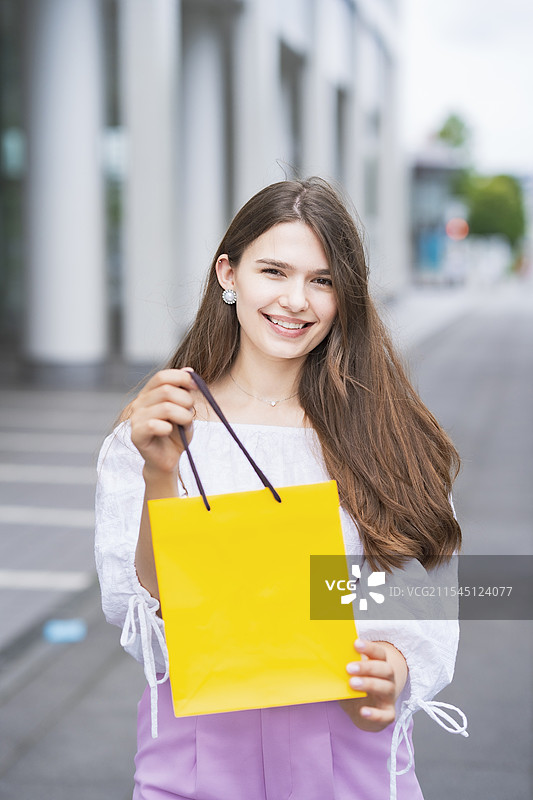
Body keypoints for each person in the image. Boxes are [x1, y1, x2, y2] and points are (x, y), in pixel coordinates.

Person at [95, 178, 468, 800]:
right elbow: (153, 621)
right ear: (229, 274)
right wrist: (160, 475)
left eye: (322, 280)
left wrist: (393, 670)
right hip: (197, 761)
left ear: (346, 296)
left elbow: (419, 598)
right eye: (274, 271)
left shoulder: (388, 436)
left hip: (350, 763)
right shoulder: (159, 428)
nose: (296, 300)